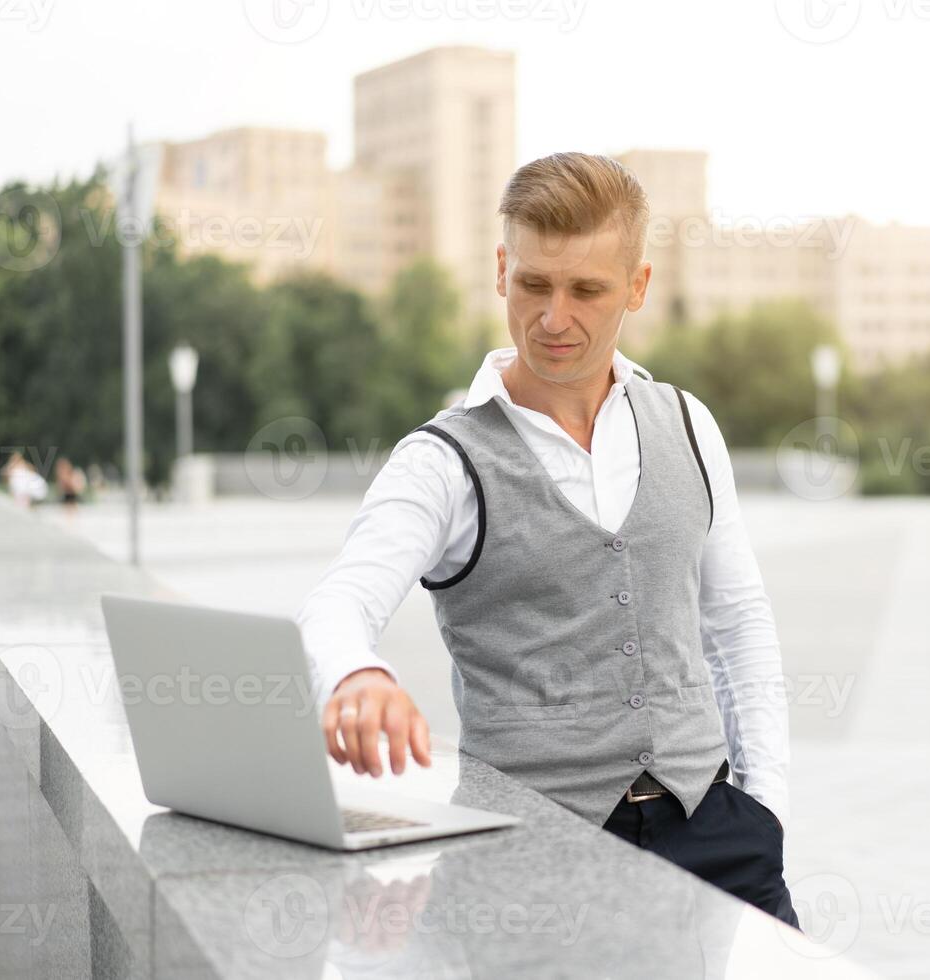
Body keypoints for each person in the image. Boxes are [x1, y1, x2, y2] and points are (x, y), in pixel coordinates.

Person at [298, 152, 798, 929]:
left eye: (586, 290)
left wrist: (764, 807)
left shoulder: (688, 424)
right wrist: (357, 674)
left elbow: (737, 622)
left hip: (720, 838)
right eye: (533, 284)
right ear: (501, 270)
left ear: (637, 286)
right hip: (532, 863)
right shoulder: (442, 461)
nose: (553, 317)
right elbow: (337, 603)